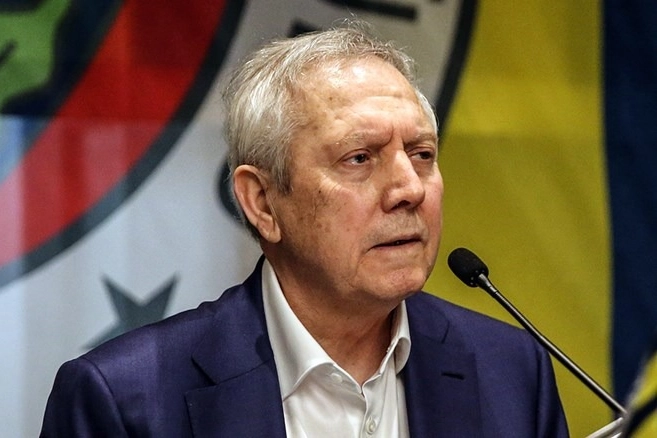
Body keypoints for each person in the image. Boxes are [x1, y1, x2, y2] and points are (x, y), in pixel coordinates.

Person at [41, 21, 568, 437]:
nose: (410, 188)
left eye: (422, 154)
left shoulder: (512, 372)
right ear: (262, 202)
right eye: (359, 158)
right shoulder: (125, 401)